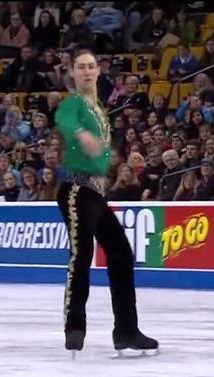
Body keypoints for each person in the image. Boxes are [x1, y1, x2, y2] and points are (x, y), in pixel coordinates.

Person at [54, 49, 158, 355]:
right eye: (80, 67)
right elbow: (65, 119)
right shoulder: (73, 104)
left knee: (121, 254)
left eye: (91, 66)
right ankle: (75, 327)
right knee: (82, 253)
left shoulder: (98, 107)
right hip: (76, 190)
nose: (87, 71)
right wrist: (82, 135)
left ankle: (126, 330)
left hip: (97, 194)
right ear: (72, 73)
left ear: (98, 71)